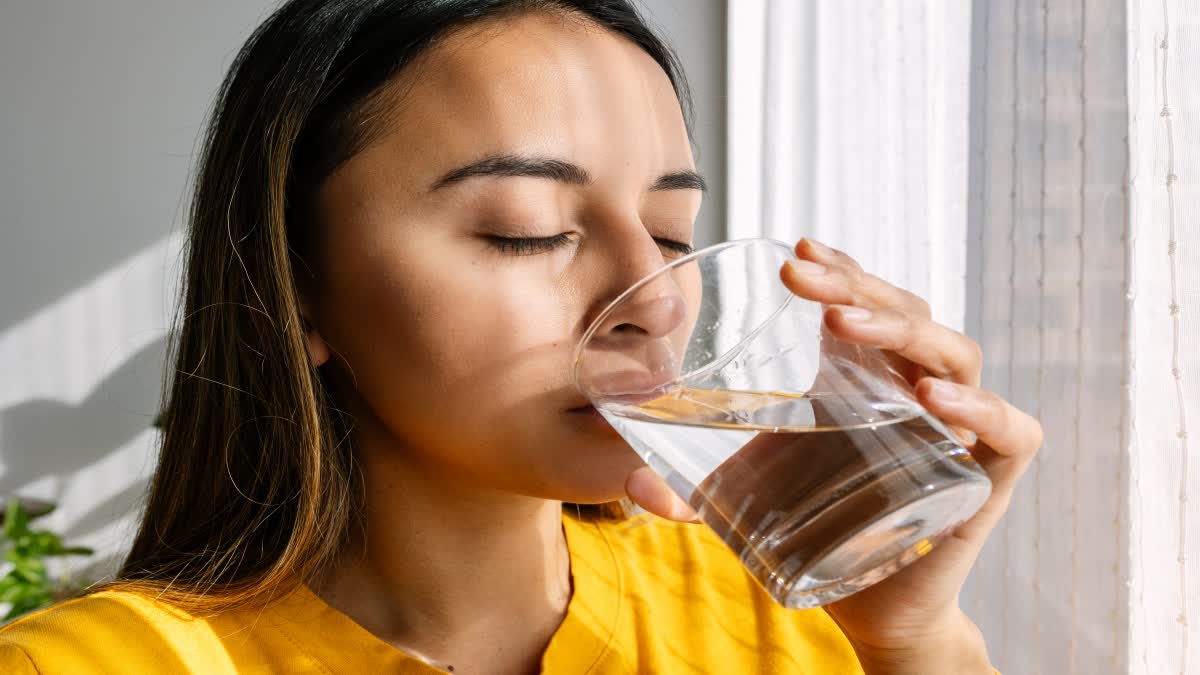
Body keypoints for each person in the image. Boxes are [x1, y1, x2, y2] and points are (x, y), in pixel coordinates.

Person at [0, 1, 1041, 672]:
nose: (657, 295)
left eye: (675, 231)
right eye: (526, 232)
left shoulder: (772, 617)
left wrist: (913, 643)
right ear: (299, 288)